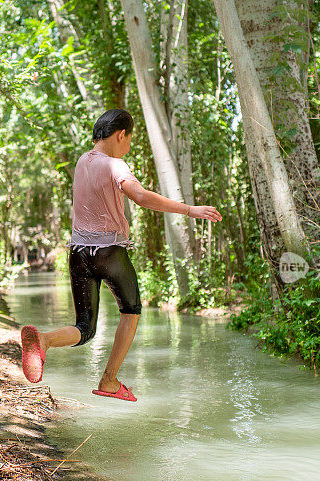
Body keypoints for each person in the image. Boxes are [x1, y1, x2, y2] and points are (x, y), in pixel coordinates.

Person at [20, 109, 222, 401]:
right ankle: (109, 379)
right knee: (131, 311)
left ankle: (45, 340)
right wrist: (190, 210)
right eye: (129, 140)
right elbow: (140, 196)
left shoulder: (81, 161)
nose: (128, 146)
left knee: (85, 328)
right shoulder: (115, 165)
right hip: (110, 254)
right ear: (120, 135)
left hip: (78, 254)